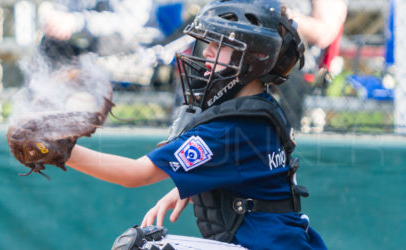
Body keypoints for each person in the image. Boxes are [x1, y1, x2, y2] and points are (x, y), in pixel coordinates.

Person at [65, 0, 326, 249]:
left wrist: (64, 151)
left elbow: (136, 174)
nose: (206, 51)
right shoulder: (259, 108)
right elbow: (244, 174)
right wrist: (189, 186)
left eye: (220, 43)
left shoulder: (230, 127)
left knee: (143, 246)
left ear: (256, 54)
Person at [275, 0, 348, 128]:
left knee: (290, 78)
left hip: (297, 62)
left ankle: (288, 138)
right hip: (258, 50)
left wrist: (285, 15)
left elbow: (324, 34)